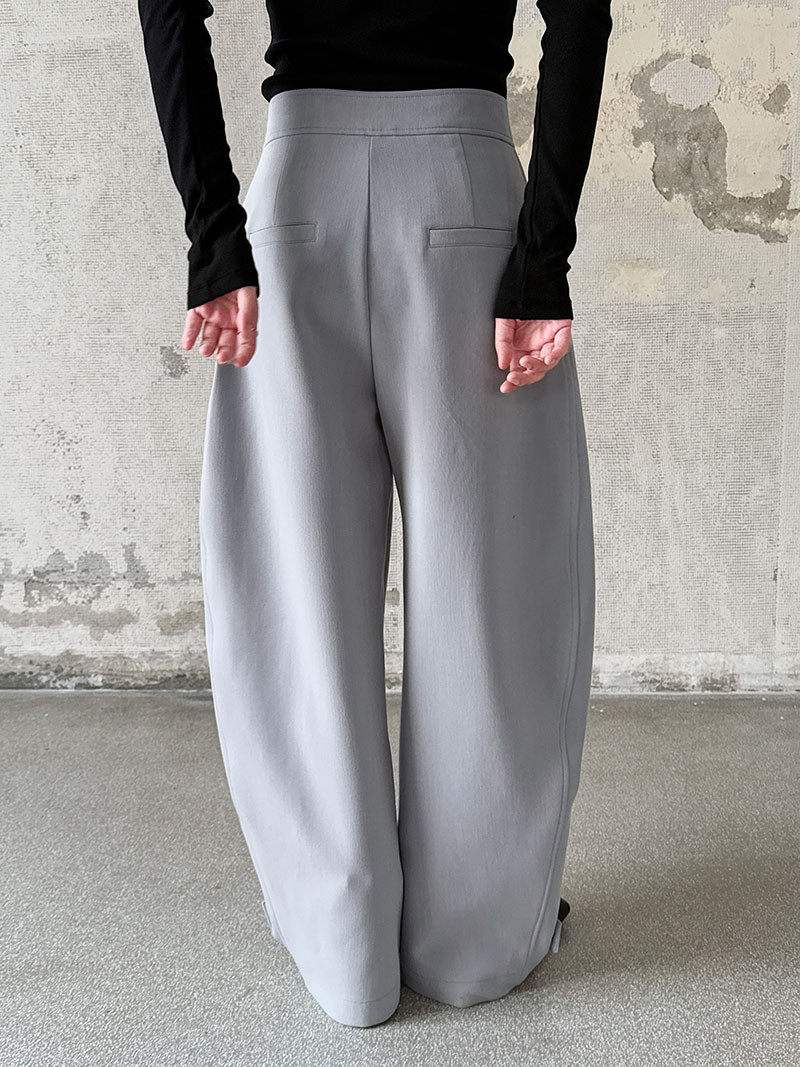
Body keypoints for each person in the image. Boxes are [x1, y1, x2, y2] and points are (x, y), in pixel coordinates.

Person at [137, 0, 612, 1029]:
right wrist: (542, 253)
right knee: (492, 591)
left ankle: (341, 940)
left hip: (296, 204)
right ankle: (474, 943)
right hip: (466, 197)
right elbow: (580, 11)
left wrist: (214, 230)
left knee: (296, 594)